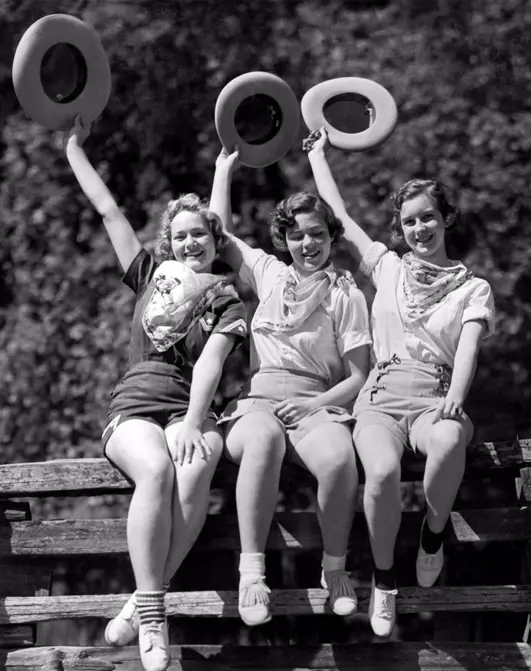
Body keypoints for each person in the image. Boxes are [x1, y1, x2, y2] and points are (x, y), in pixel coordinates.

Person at [65, 117, 247, 671]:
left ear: (218, 243)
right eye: (181, 234)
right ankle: (154, 617)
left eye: (202, 234)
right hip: (136, 408)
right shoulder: (150, 274)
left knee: (195, 469)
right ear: (169, 243)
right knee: (159, 473)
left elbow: (213, 361)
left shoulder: (226, 298)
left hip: (193, 407)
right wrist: (73, 147)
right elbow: (109, 212)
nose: (191, 241)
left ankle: (141, 601)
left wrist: (195, 421)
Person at [306, 127, 495, 639]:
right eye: (409, 221)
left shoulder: (473, 287)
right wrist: (319, 156)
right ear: (401, 228)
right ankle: (385, 581)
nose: (419, 228)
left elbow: (470, 346)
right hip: (382, 396)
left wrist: (456, 396)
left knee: (452, 437)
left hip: (435, 392)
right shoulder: (387, 267)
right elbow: (340, 221)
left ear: (446, 219)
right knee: (383, 474)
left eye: (428, 217)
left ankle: (433, 535)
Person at [209, 146, 372, 627]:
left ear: (330, 237)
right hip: (259, 399)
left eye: (317, 234)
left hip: (317, 399)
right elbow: (219, 237)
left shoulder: (346, 293)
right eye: (296, 235)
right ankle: (252, 574)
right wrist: (223, 170)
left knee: (341, 458)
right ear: (283, 239)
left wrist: (314, 405)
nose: (307, 243)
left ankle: (335, 569)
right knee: (261, 440)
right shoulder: (268, 273)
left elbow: (359, 376)